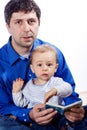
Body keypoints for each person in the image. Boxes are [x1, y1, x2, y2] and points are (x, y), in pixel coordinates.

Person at [0, 0, 86, 130]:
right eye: (18, 22)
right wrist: (28, 114)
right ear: (8, 27)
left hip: (57, 114)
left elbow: (70, 92)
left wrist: (74, 111)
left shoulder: (53, 52)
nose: (27, 29)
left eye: (31, 21)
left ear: (38, 24)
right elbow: (2, 106)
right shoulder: (1, 61)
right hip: (19, 118)